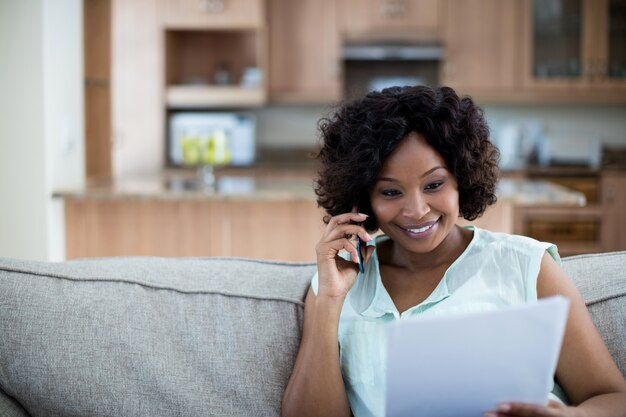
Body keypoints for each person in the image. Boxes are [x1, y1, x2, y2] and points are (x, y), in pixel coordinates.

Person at [281, 85, 626, 417]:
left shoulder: (527, 267)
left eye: (434, 185)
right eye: (390, 192)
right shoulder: (336, 284)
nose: (416, 210)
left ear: (462, 177)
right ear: (363, 197)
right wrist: (327, 302)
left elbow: (612, 399)